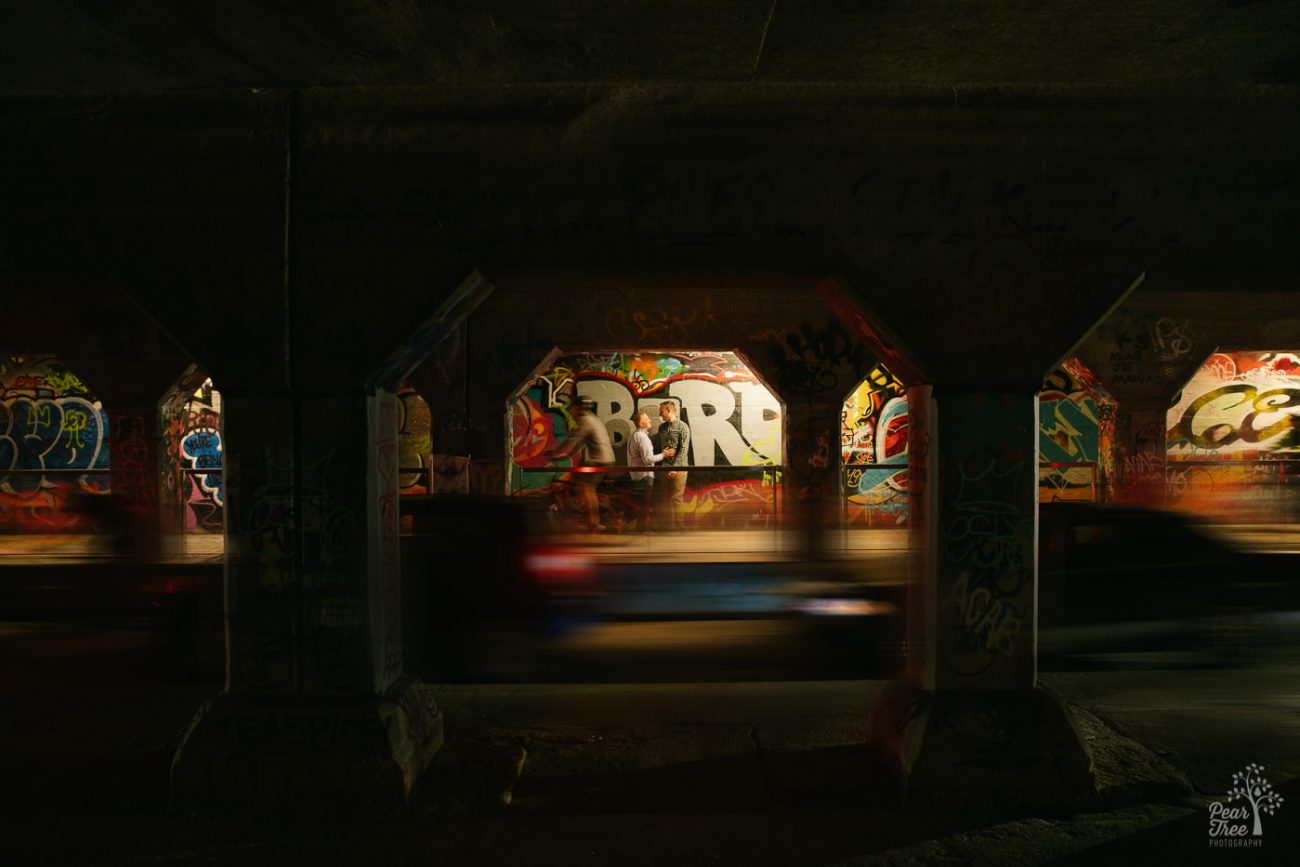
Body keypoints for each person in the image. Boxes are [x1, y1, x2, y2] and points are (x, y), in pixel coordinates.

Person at [551, 398, 614, 532]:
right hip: (604, 459)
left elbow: (573, 439)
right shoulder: (593, 419)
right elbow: (581, 442)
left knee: (587, 488)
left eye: (572, 408)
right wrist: (568, 455)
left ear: (578, 407)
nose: (570, 412)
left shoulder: (585, 420)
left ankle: (593, 522)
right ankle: (589, 518)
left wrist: (554, 451)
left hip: (598, 460)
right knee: (584, 485)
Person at [627, 409, 674, 533]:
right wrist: (664, 455)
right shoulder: (643, 438)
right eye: (647, 419)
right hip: (645, 476)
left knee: (642, 504)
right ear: (642, 424)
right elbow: (648, 460)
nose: (650, 420)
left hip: (637, 475)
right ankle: (643, 530)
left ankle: (640, 529)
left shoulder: (634, 435)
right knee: (646, 504)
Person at [654, 400, 691, 531]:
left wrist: (675, 467)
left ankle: (679, 526)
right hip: (664, 467)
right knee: (664, 498)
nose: (659, 414)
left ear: (668, 411)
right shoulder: (662, 428)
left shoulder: (683, 427)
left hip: (679, 469)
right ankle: (668, 526)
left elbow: (683, 450)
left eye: (661, 411)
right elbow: (659, 446)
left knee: (676, 498)